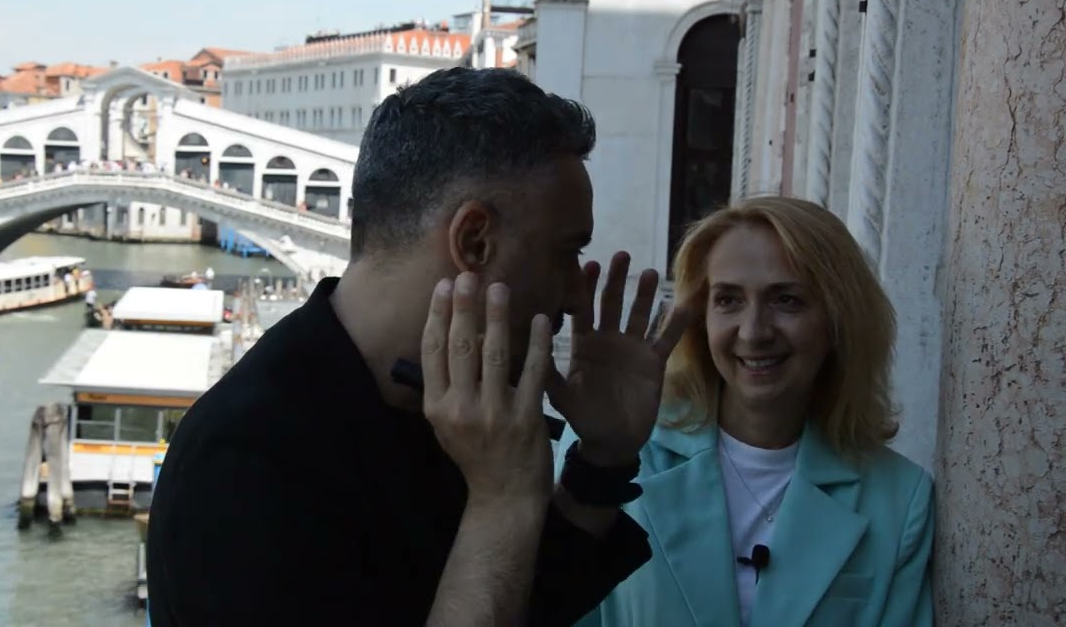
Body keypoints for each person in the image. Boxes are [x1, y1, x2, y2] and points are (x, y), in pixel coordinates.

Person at [146, 67, 690, 626]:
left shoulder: (449, 405)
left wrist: (603, 459)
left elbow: (524, 602)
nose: (578, 296)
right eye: (565, 253)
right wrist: (502, 501)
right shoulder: (244, 461)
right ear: (473, 241)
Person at [559, 196, 935, 627]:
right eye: (728, 300)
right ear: (700, 318)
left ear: (838, 320)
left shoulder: (900, 499)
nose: (754, 333)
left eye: (787, 300)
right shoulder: (613, 454)